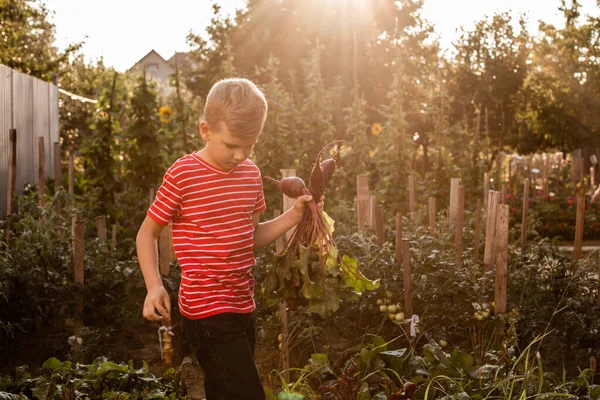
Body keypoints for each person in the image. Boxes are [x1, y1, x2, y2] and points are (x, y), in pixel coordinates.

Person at [136, 78, 316, 399]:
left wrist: (294, 215)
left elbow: (249, 237)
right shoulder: (183, 175)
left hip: (243, 304)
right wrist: (153, 285)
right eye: (231, 145)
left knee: (222, 389)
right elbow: (147, 233)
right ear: (205, 130)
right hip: (206, 308)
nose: (240, 155)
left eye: (250, 145)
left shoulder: (250, 175)